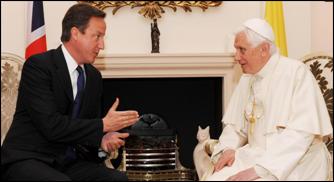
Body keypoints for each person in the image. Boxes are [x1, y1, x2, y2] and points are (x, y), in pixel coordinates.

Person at [1, 3, 139, 181]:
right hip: (28, 158)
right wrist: (102, 125)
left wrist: (101, 142)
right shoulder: (39, 66)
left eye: (102, 37)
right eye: (97, 36)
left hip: (66, 162)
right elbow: (51, 126)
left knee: (117, 179)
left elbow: (85, 127)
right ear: (75, 33)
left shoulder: (93, 77)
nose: (102, 45)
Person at [206, 18, 333, 181]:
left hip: (297, 161)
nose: (236, 57)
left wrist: (262, 170)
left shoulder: (296, 73)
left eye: (242, 50)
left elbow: (301, 135)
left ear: (264, 49)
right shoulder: (248, 77)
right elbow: (236, 126)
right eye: (236, 49)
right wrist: (229, 148)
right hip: (256, 155)